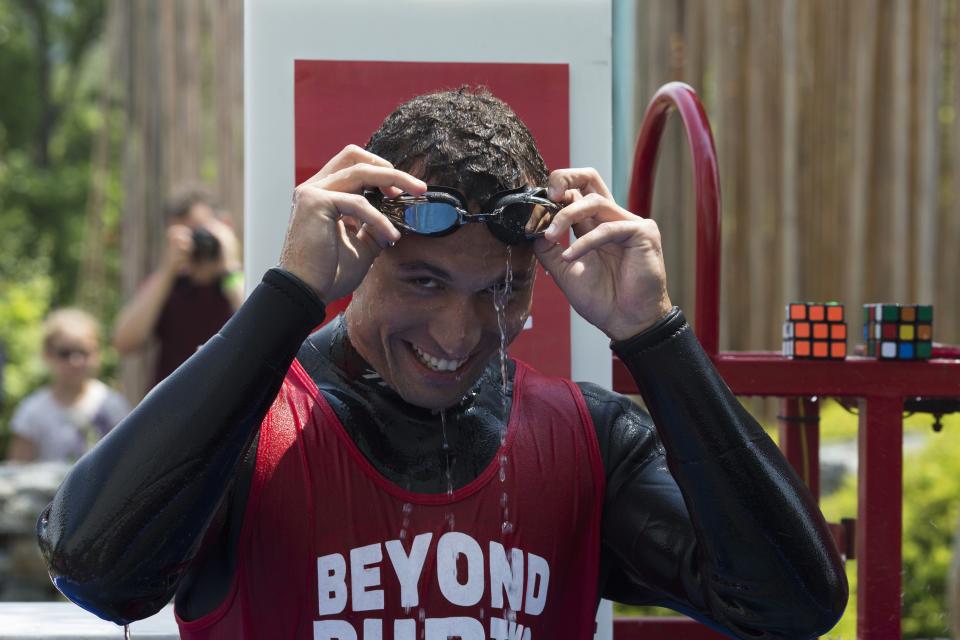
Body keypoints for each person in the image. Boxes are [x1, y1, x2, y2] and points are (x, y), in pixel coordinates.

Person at [39, 89, 847, 639]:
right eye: (423, 281)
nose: (458, 332)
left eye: (498, 291)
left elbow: (793, 606)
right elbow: (98, 573)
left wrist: (654, 333)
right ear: (359, 256)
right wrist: (287, 295)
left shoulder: (589, 441)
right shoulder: (256, 429)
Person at [112, 187, 243, 385]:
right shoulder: (167, 286)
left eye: (200, 232)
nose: (195, 244)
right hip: (177, 409)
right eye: (186, 236)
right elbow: (124, 343)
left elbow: (266, 333)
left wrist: (229, 268)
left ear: (225, 227)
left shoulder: (242, 280)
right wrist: (167, 270)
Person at [7, 309, 129, 463]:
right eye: (65, 353)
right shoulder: (32, 411)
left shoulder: (112, 404)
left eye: (83, 352)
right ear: (48, 354)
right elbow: (18, 468)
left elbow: (126, 458)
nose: (75, 361)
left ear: (97, 353)